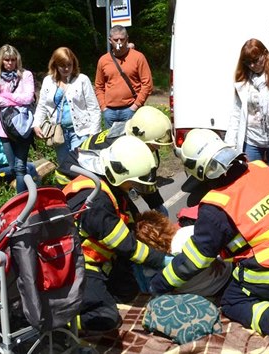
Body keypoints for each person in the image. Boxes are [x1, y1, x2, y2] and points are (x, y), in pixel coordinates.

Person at [150, 129, 269, 349]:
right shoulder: (262, 169)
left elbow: (194, 261)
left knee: (233, 301)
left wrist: (160, 283)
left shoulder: (217, 205)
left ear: (200, 171)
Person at [62, 135, 166, 332]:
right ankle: (63, 323)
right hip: (79, 267)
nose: (134, 187)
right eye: (132, 182)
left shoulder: (109, 185)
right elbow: (127, 245)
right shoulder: (95, 201)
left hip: (104, 262)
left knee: (128, 293)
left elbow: (129, 219)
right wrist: (161, 260)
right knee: (105, 319)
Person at [57, 106, 172, 216]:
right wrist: (155, 207)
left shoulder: (129, 132)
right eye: (154, 145)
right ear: (141, 135)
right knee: (114, 213)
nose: (157, 148)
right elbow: (128, 182)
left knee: (130, 215)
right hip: (71, 177)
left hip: (96, 173)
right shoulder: (121, 148)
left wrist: (156, 205)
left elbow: (144, 178)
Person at [224, 38, 269, 176]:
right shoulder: (243, 81)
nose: (252, 65)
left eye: (255, 60)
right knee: (252, 181)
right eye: (248, 62)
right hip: (252, 141)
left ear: (265, 54)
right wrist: (229, 145)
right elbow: (237, 114)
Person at [132, 210, 232, 297]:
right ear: (164, 222)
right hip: (226, 274)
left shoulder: (154, 266)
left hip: (205, 293)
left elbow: (154, 287)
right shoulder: (188, 232)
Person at [33, 47, 101, 165]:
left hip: (81, 131)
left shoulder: (82, 80)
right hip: (59, 133)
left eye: (69, 65)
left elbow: (93, 108)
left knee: (80, 164)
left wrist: (93, 133)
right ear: (55, 65)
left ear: (74, 64)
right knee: (65, 165)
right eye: (62, 65)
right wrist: (36, 124)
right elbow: (42, 106)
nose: (66, 68)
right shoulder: (48, 81)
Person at [0, 44, 35, 194]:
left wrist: (6, 96)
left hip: (23, 126)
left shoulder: (26, 75)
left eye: (13, 60)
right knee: (13, 166)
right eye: (6, 60)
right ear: (1, 60)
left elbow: (28, 98)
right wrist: (16, 100)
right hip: (4, 127)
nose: (10, 63)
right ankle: (27, 190)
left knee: (21, 166)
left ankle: (21, 199)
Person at [95, 25, 153, 128]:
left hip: (130, 109)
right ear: (110, 40)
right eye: (115, 39)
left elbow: (147, 84)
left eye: (122, 39)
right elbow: (99, 86)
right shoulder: (103, 60)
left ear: (127, 39)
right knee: (112, 143)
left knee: (131, 142)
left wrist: (135, 106)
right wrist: (103, 107)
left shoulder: (138, 57)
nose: (119, 43)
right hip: (110, 111)